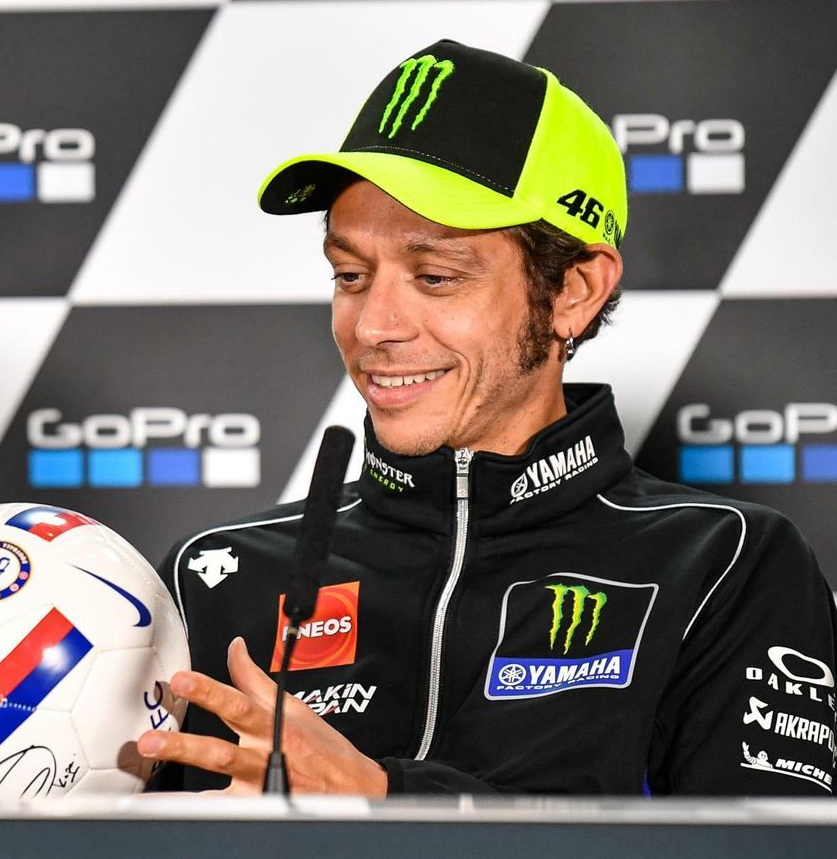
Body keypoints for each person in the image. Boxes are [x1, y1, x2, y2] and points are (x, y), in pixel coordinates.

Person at [141, 41, 837, 795]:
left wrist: (384, 804)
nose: (374, 325)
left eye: (436, 277)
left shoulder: (721, 563)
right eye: (350, 274)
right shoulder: (213, 578)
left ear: (575, 289)